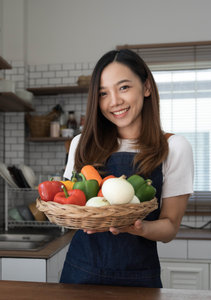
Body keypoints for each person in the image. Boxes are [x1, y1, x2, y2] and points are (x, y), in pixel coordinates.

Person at [60, 49, 194, 287]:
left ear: (146, 88)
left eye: (123, 87)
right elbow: (70, 202)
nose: (114, 102)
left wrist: (136, 228)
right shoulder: (82, 143)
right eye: (103, 93)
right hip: (80, 272)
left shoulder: (174, 147)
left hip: (139, 277)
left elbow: (170, 227)